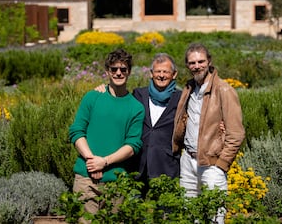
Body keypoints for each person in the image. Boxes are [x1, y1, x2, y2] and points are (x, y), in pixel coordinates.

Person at [172, 43, 245, 223]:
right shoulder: (189, 88)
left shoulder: (224, 90)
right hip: (188, 160)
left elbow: (236, 133)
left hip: (212, 163)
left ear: (209, 61)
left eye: (201, 61)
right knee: (190, 214)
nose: (197, 66)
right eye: (192, 63)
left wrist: (222, 163)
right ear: (187, 65)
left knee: (214, 217)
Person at [68, 48, 145, 217]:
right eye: (114, 69)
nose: (118, 73)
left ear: (129, 72)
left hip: (116, 181)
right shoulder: (92, 97)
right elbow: (76, 131)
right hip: (86, 179)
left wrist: (104, 162)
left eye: (123, 69)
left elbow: (133, 145)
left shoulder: (136, 107)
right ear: (107, 72)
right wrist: (91, 160)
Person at [95, 53, 181, 193]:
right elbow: (119, 101)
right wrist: (104, 89)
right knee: (133, 210)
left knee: (166, 211)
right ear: (151, 73)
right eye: (158, 71)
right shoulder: (139, 94)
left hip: (166, 165)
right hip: (137, 165)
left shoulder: (181, 98)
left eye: (166, 71)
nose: (161, 75)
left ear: (174, 74)